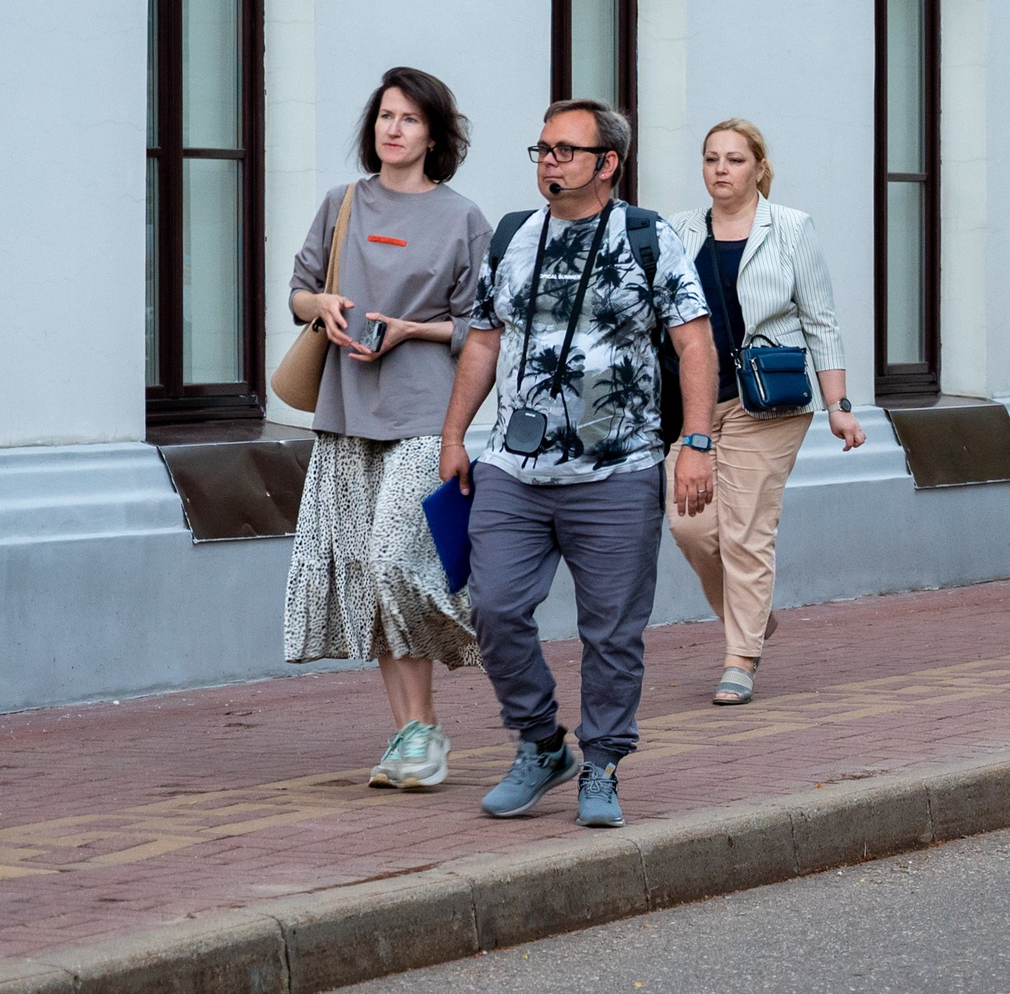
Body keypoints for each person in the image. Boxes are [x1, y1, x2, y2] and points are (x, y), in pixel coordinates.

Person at [438, 100, 718, 827]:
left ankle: (602, 764)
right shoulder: (512, 236)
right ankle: (541, 744)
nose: (549, 161)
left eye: (566, 150)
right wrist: (454, 435)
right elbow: (483, 339)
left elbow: (693, 341)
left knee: (612, 631)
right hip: (513, 468)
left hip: (618, 471)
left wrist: (695, 443)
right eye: (542, 149)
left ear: (607, 163)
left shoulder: (646, 237)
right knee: (494, 607)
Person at [284, 67, 492, 790]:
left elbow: (481, 328)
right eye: (384, 116)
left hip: (425, 413)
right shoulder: (342, 203)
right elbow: (298, 290)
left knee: (393, 558)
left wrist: (412, 329)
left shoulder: (463, 218)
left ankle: (426, 724)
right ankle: (412, 733)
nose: (392, 129)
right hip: (346, 412)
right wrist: (323, 306)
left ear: (433, 134)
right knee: (367, 574)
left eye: (408, 118)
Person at [667, 119, 867, 705]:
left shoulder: (791, 228)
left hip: (767, 401)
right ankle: (751, 616)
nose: (721, 169)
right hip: (696, 403)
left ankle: (740, 657)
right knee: (689, 526)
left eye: (734, 159)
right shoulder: (678, 230)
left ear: (759, 167)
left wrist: (839, 405)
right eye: (711, 159)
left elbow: (821, 320)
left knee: (745, 529)